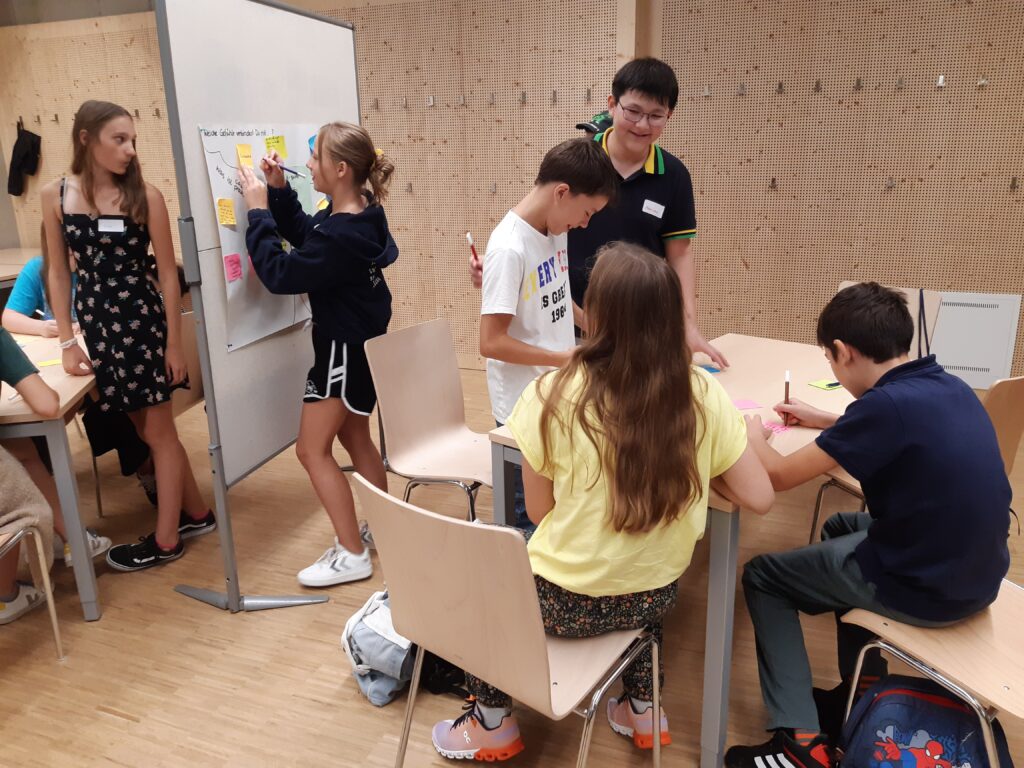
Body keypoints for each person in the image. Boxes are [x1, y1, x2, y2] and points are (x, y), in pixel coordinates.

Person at [432, 243, 774, 761]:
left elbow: (542, 513)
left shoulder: (553, 391)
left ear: (596, 316)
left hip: (559, 603)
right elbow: (760, 496)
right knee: (638, 555)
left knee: (489, 576)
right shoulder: (701, 397)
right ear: (669, 317)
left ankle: (492, 723)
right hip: (652, 598)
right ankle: (642, 707)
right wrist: (711, 460)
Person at [724, 282, 1012, 768]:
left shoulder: (882, 409)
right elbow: (888, 425)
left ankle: (801, 744)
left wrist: (750, 433)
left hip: (927, 586)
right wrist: (826, 419)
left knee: (763, 576)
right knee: (840, 525)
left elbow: (775, 475)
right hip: (977, 571)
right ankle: (864, 689)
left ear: (843, 352)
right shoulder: (945, 384)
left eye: (830, 362)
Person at [41, 100, 214, 573]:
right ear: (85, 139)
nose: (130, 150)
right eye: (119, 140)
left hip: (143, 328)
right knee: (144, 429)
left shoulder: (146, 197)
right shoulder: (54, 196)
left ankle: (166, 541)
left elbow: (168, 276)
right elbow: (58, 273)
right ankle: (198, 514)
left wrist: (173, 344)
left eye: (133, 140)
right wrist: (65, 341)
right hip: (98, 329)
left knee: (158, 432)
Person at [470, 57, 728, 368]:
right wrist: (506, 268)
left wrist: (687, 323)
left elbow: (680, 254)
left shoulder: (673, 175)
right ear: (612, 105)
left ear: (669, 115)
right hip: (568, 334)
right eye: (633, 111)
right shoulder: (580, 164)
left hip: (630, 326)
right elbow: (534, 227)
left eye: (656, 116)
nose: (643, 125)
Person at [240, 121, 398, 587]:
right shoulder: (361, 214)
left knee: (311, 451)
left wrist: (256, 213)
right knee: (355, 440)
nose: (307, 164)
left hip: (341, 352)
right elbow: (312, 236)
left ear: (341, 169)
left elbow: (282, 273)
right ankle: (384, 530)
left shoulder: (341, 235)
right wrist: (278, 192)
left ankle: (352, 553)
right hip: (360, 345)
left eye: (315, 158)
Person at [479, 137, 616, 531]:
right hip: (523, 411)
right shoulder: (509, 248)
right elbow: (490, 343)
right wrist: (564, 357)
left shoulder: (555, 228)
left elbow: (556, 295)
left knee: (556, 508)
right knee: (532, 521)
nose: (585, 223)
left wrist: (598, 328)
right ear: (561, 193)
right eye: (587, 212)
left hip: (556, 393)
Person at [2, 224, 157, 509]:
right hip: (64, 364)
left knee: (113, 402)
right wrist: (45, 328)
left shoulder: (103, 270)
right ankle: (50, 495)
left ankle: (146, 467)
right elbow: (9, 317)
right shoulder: (39, 269)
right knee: (42, 412)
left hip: (105, 365)